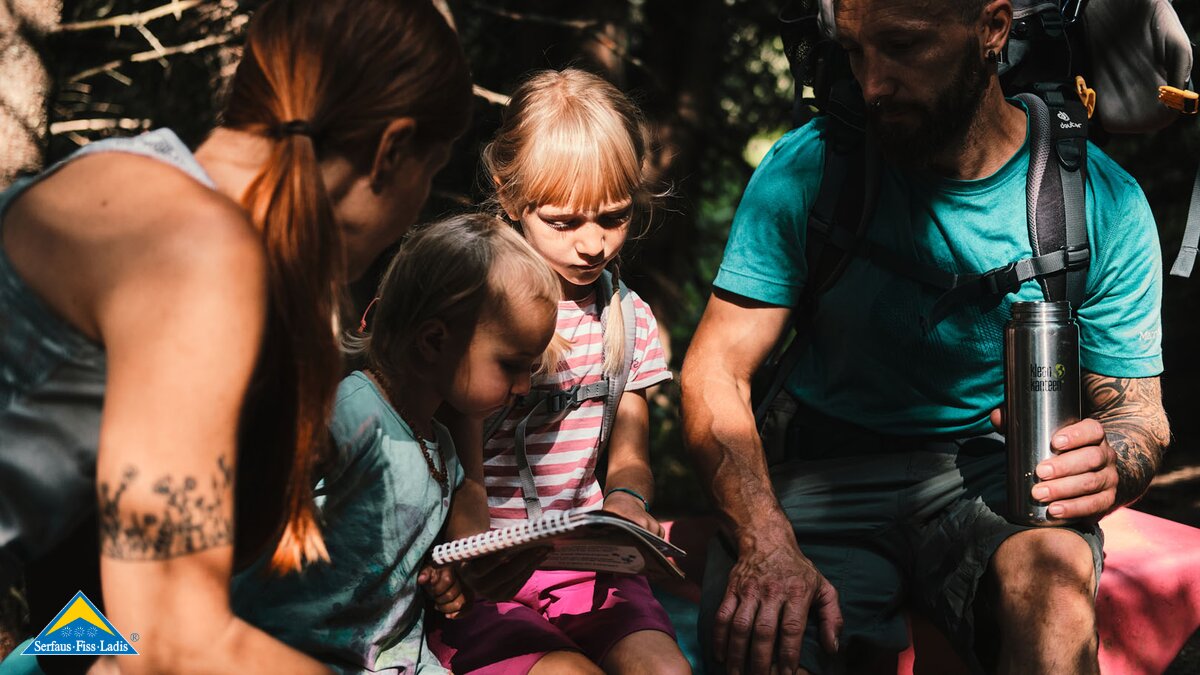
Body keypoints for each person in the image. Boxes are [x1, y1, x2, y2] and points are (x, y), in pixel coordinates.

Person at [680, 0, 1170, 674]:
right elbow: (713, 371)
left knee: (1054, 586)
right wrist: (765, 541)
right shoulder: (812, 169)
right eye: (855, 52)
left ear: (991, 29)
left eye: (904, 47)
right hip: (821, 477)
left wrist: (1113, 457)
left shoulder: (1096, 202)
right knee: (764, 637)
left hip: (999, 477)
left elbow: (1139, 412)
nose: (874, 83)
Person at [0, 0, 471, 671]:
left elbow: (107, 607)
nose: (418, 205)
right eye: (432, 172)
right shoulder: (201, 256)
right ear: (391, 150)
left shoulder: (139, 174)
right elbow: (170, 639)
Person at [427, 69, 692, 675]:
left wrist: (627, 499)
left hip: (586, 566)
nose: (592, 245)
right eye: (564, 222)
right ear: (510, 193)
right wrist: (464, 558)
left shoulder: (626, 318)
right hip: (483, 568)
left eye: (613, 218)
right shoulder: (474, 307)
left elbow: (630, 448)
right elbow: (458, 460)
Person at [229, 215, 561, 673]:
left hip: (394, 658)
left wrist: (446, 583)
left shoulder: (441, 445)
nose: (524, 385)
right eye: (512, 364)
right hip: (291, 652)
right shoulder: (352, 414)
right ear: (433, 341)